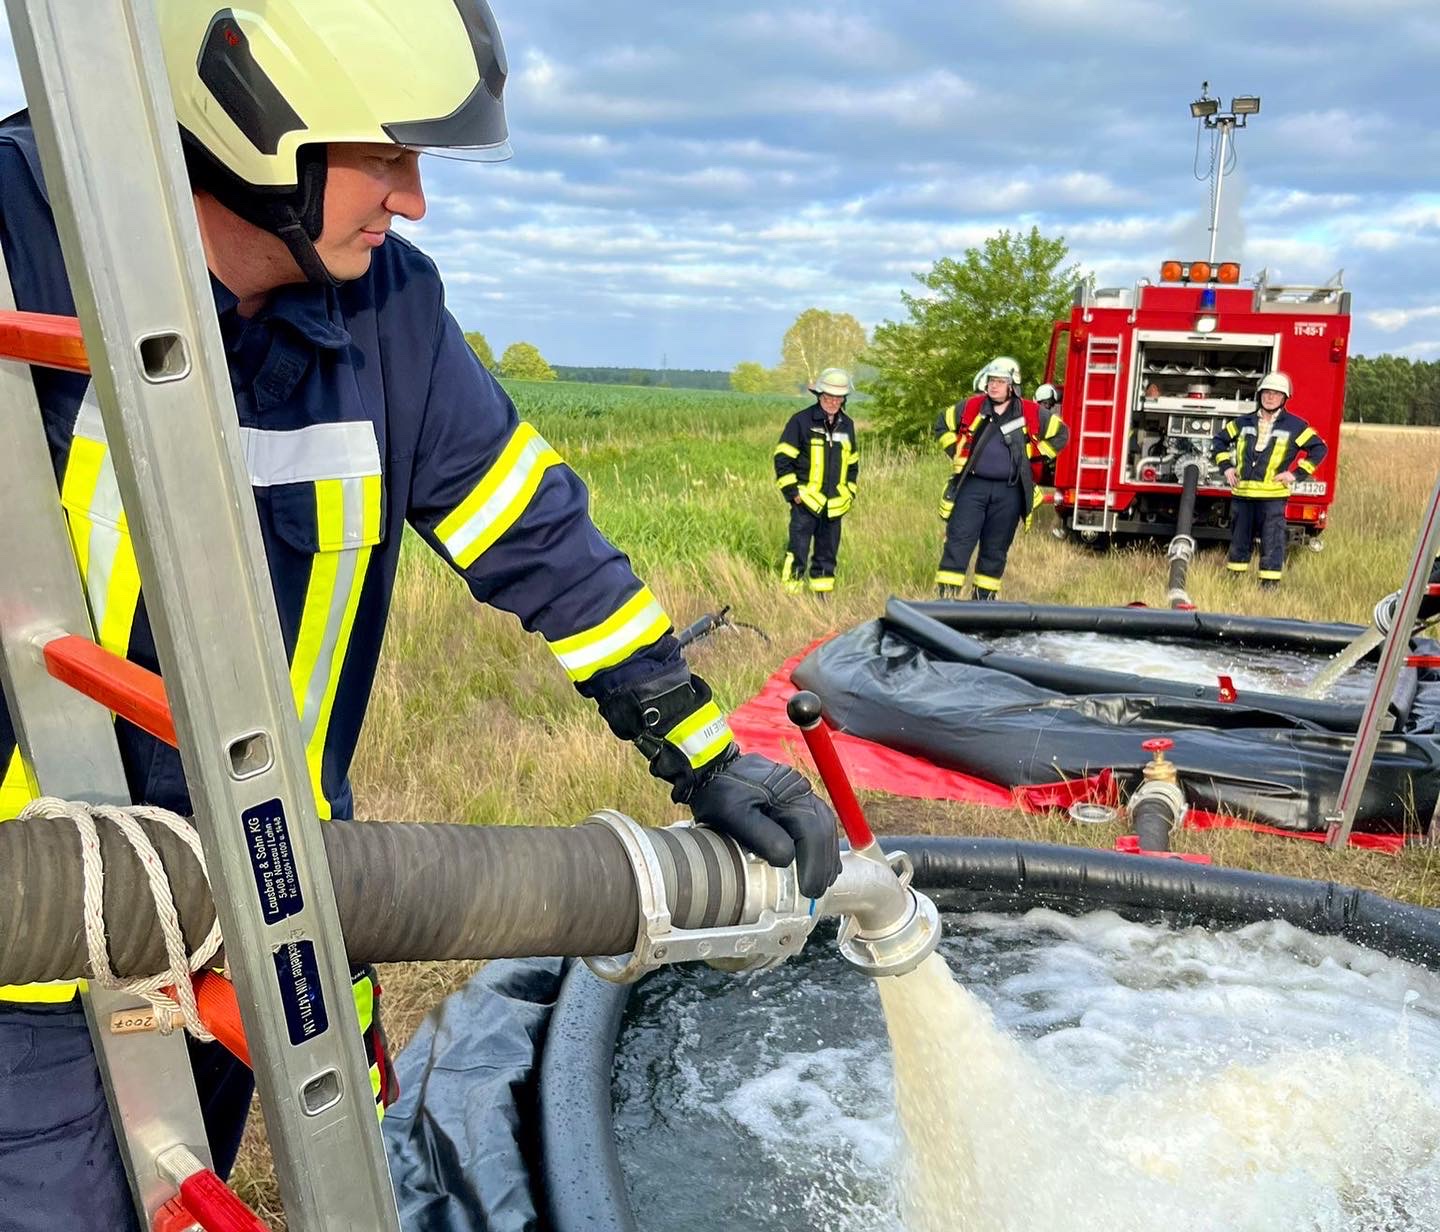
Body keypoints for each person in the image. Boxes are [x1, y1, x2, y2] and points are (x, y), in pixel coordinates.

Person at [0, 5, 841, 1229]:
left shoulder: (386, 316)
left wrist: (699, 745)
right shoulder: (21, 244)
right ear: (245, 111)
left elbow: (536, 535)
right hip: (34, 966)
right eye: (386, 153)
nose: (413, 198)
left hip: (260, 923)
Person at [933, 356, 1068, 599]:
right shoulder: (971, 407)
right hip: (972, 486)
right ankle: (946, 597)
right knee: (959, 539)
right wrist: (956, 449)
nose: (993, 385)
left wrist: (1033, 453)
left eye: (1000, 381)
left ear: (1012, 386)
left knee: (996, 547)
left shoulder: (1031, 412)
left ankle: (984, 600)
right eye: (991, 381)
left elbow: (1061, 434)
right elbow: (942, 423)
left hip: (1010, 491)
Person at [1212, 371, 1328, 589]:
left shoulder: (1295, 426)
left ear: (1284, 398)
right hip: (1243, 495)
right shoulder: (1243, 422)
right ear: (1260, 394)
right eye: (1266, 392)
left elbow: (1319, 448)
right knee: (1239, 542)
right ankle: (1234, 584)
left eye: (1276, 393)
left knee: (1272, 542)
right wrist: (1226, 467)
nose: (1270, 397)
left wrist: (1295, 474)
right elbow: (1219, 441)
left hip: (1272, 498)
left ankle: (1268, 587)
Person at [773, 368, 860, 596]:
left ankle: (821, 599)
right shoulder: (801, 422)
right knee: (798, 552)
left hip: (835, 505)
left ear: (843, 399)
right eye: (828, 397)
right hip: (805, 503)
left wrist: (849, 493)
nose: (833, 402)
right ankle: (791, 598)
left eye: (838, 398)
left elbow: (852, 464)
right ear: (819, 395)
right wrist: (793, 493)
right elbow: (782, 459)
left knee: (827, 555)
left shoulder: (847, 425)